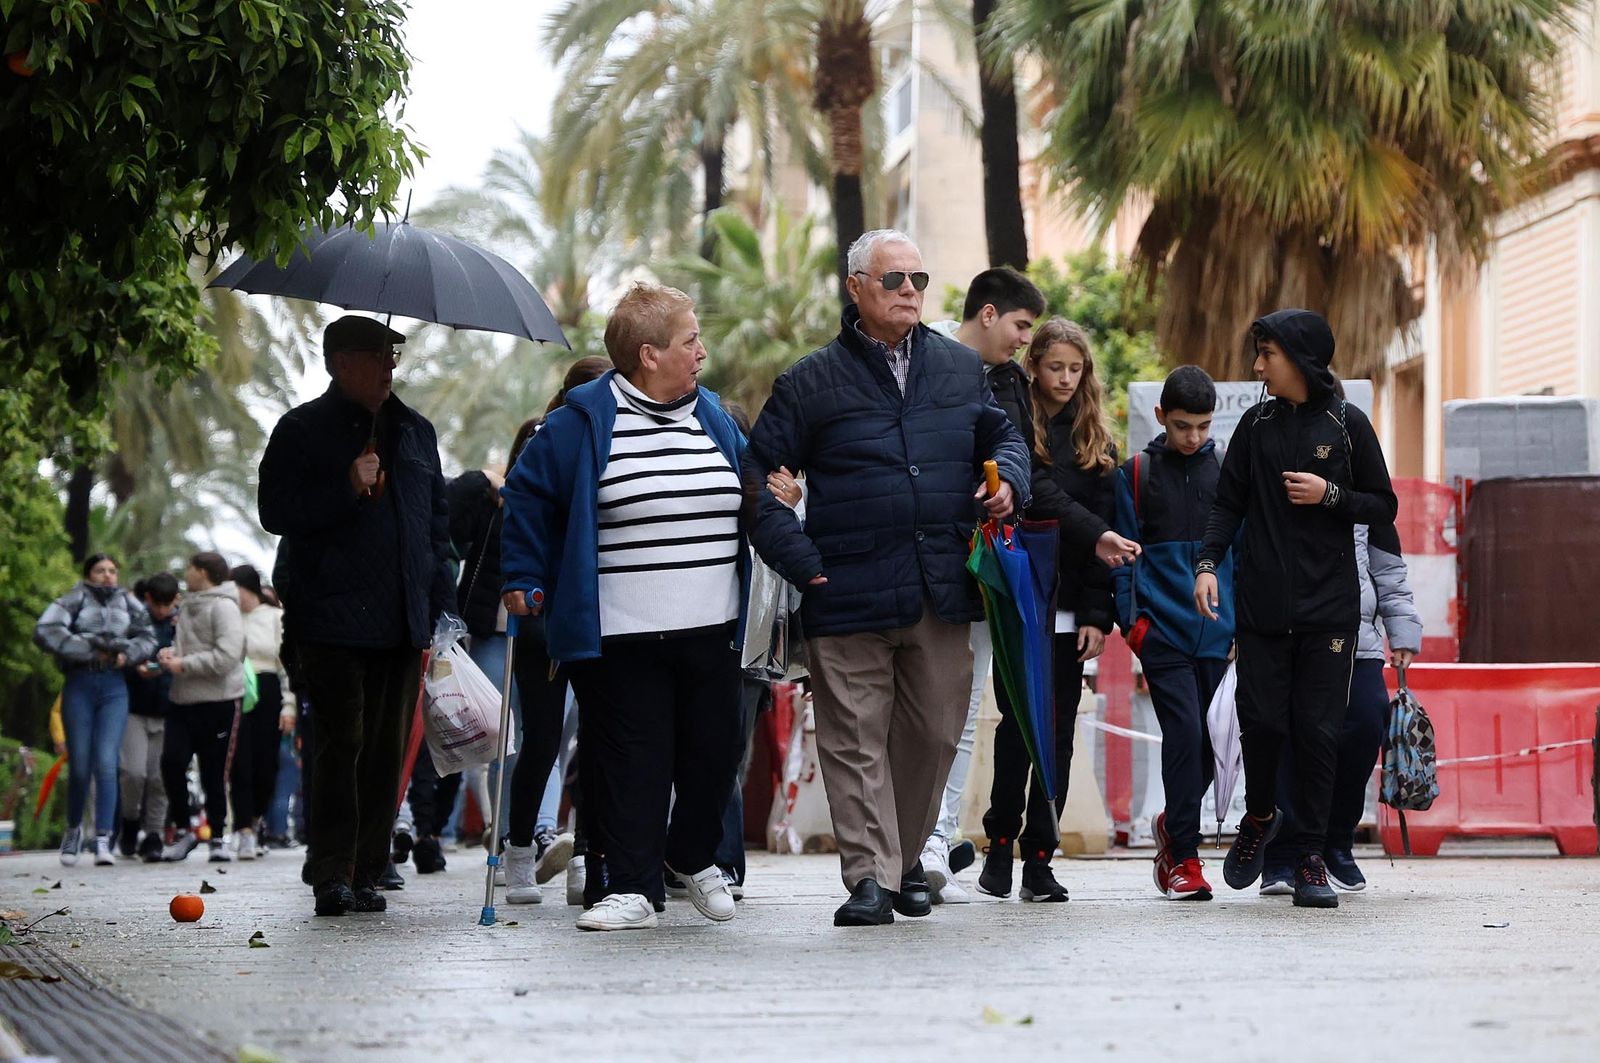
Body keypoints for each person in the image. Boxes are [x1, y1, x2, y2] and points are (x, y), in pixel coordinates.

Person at [744, 229, 1031, 927]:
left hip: (941, 585)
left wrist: (1009, 483)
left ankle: (902, 862)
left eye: (918, 280)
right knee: (853, 738)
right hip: (843, 590)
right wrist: (800, 560)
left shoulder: (960, 368)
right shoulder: (808, 381)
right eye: (893, 279)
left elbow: (1004, 438)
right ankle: (869, 877)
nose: (909, 291)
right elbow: (756, 480)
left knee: (933, 734)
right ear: (855, 288)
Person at [501, 284, 750, 932]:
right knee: (634, 764)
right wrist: (523, 574)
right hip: (622, 631)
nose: (702, 351)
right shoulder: (582, 420)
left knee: (715, 755)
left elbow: (751, 484)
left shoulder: (713, 415)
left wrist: (782, 497)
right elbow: (526, 492)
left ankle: (690, 855)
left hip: (715, 625)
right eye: (690, 340)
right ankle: (633, 888)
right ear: (649, 354)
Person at [1194, 309, 1397, 910]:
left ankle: (1310, 855)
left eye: (1268, 355)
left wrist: (1329, 494)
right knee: (1261, 724)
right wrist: (1207, 564)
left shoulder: (1348, 423)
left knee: (1318, 731)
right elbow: (1227, 505)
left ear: (1302, 359)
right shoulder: (1254, 426)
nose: (1258, 367)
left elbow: (1382, 505)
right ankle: (1260, 814)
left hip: (1330, 609)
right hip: (1262, 607)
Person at [258, 315, 453, 917]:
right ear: (341, 362)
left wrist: (442, 612)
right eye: (377, 355)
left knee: (386, 753)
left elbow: (436, 530)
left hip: (402, 621)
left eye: (394, 354)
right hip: (332, 619)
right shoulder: (301, 429)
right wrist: (345, 482)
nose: (390, 366)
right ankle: (331, 872)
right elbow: (275, 511)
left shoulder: (416, 431)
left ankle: (369, 869)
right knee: (341, 745)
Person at [977, 318, 1119, 903]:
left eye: (1075, 368)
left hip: (1072, 608)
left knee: (1057, 735)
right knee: (1016, 728)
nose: (1065, 378)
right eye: (1055, 366)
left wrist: (1097, 615)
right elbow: (1033, 493)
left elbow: (1105, 538)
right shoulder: (1014, 423)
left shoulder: (1097, 442)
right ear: (1033, 366)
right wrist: (1095, 535)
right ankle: (999, 844)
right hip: (1020, 597)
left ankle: (1040, 857)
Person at [1111, 366, 1235, 900]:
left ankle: (1172, 824)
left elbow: (1245, 554)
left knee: (1213, 742)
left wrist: (1243, 627)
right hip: (1161, 633)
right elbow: (1121, 557)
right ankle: (1184, 856)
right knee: (1184, 732)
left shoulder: (1229, 472)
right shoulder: (1135, 474)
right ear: (1161, 416)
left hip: (1220, 634)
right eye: (1183, 425)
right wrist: (1134, 627)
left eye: (1203, 426)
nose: (1193, 437)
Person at [502, 355, 611, 907]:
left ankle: (587, 857)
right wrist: (524, 581)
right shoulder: (545, 441)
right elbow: (519, 518)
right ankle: (520, 850)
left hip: (602, 610)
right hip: (547, 612)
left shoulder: (621, 437)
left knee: (598, 739)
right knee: (543, 740)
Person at [1260, 530, 1422, 893]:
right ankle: (1281, 851)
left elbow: (1390, 574)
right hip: (1288, 635)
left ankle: (1336, 841)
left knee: (1367, 722)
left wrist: (1402, 631)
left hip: (1358, 641)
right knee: (1285, 737)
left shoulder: (1368, 504)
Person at [34, 553, 157, 866]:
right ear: (88, 573)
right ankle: (73, 828)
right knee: (79, 765)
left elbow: (148, 637)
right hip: (80, 683)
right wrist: (89, 648)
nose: (107, 575)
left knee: (107, 762)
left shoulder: (128, 602)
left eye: (112, 570)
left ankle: (103, 837)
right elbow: (46, 630)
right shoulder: (74, 599)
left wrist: (127, 653)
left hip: (114, 686)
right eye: (100, 570)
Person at [158, 551, 245, 864]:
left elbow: (228, 656)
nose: (186, 573)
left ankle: (218, 836)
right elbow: (188, 647)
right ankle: (183, 830)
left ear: (204, 572)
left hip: (218, 702)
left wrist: (183, 664)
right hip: (182, 701)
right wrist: (170, 654)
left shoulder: (224, 607)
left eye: (190, 568)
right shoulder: (187, 605)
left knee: (213, 772)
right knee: (171, 763)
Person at [228, 564, 295, 860]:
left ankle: (256, 818)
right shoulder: (228, 617)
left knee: (266, 764)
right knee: (239, 763)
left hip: (268, 691)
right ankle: (243, 828)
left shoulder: (274, 617)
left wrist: (289, 705)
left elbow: (286, 666)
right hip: (236, 693)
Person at [121, 572, 181, 862]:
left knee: (159, 777)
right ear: (148, 599)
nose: (163, 610)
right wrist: (136, 669)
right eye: (158, 605)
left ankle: (154, 833)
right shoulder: (132, 620)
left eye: (168, 604)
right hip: (135, 707)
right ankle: (130, 821)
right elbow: (121, 654)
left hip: (169, 709)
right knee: (134, 773)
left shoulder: (181, 623)